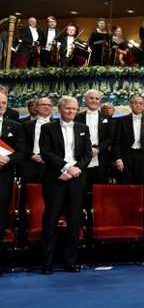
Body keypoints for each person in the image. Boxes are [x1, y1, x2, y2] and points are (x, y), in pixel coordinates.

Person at [39, 96, 92, 274]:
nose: (71, 111)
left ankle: (71, 262)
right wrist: (67, 167)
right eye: (68, 108)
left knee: (74, 222)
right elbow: (45, 153)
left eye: (75, 109)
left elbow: (87, 154)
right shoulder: (47, 128)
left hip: (77, 180)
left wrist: (76, 169)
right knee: (51, 221)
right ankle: (47, 263)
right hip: (56, 179)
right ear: (60, 109)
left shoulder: (83, 128)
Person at [0, 92, 25, 275]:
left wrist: (7, 160)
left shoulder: (15, 126)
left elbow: (22, 151)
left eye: (4, 102)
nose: (1, 105)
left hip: (4, 176)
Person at [113, 95, 144, 185]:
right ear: (130, 105)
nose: (138, 105)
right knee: (124, 183)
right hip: (125, 156)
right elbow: (116, 142)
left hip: (142, 157)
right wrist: (118, 158)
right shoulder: (121, 120)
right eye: (135, 103)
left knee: (141, 184)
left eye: (141, 103)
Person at [74, 89, 113, 187]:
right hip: (81, 156)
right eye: (91, 98)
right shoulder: (77, 117)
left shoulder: (107, 118)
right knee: (81, 186)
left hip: (101, 156)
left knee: (100, 187)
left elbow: (110, 138)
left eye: (97, 99)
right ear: (85, 100)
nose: (94, 101)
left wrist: (98, 149)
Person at [22, 97, 53, 184]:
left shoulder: (58, 126)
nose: (46, 107)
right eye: (43, 105)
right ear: (36, 107)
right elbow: (22, 144)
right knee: (29, 194)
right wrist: (31, 155)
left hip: (52, 166)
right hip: (30, 164)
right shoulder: (26, 125)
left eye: (49, 105)